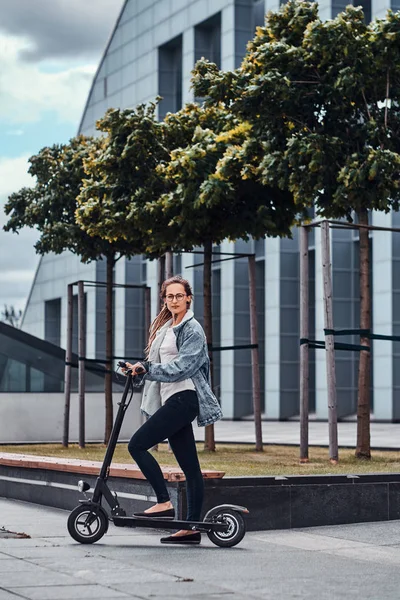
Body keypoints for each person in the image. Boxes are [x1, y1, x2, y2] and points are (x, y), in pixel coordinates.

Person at [123, 275, 222, 545]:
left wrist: (149, 369)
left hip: (185, 398)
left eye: (179, 296)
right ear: (164, 299)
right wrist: (137, 368)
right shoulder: (167, 327)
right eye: (170, 296)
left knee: (137, 445)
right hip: (172, 399)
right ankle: (190, 528)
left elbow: (184, 367)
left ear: (188, 297)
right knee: (191, 467)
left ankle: (164, 502)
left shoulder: (192, 329)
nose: (174, 300)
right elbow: (154, 363)